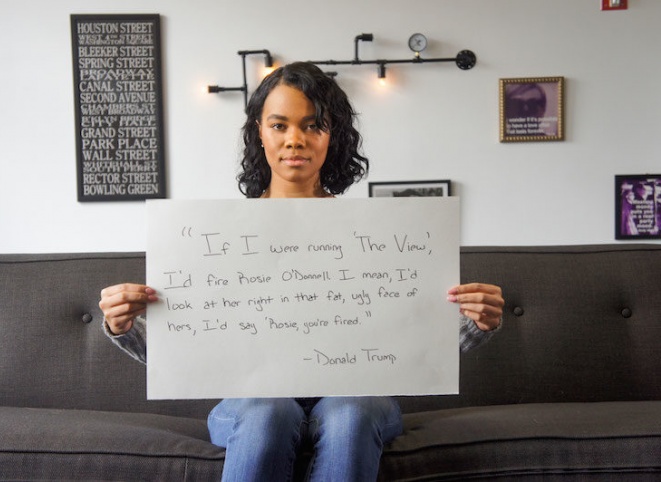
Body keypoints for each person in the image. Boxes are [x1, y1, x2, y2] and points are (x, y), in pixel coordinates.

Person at [99, 62, 504, 481]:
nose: (295, 139)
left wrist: (477, 323)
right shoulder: (212, 239)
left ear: (334, 135)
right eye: (279, 125)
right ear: (259, 130)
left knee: (352, 411)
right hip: (252, 402)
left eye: (313, 126)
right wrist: (123, 325)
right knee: (268, 410)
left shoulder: (377, 236)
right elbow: (189, 355)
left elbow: (411, 345)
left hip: (356, 396)